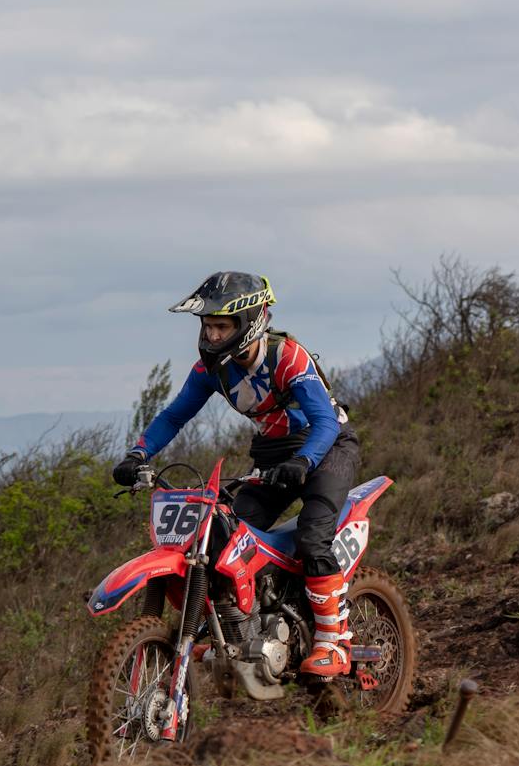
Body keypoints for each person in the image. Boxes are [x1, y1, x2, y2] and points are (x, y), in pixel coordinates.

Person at [112, 272, 361, 679]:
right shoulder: (214, 369)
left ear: (249, 323)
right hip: (271, 455)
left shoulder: (287, 356)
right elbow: (175, 415)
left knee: (313, 536)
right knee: (224, 533)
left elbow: (324, 422)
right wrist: (137, 453)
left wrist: (303, 462)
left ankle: (334, 642)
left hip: (327, 446)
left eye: (221, 326)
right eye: (207, 326)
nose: (211, 335)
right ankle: (239, 627)